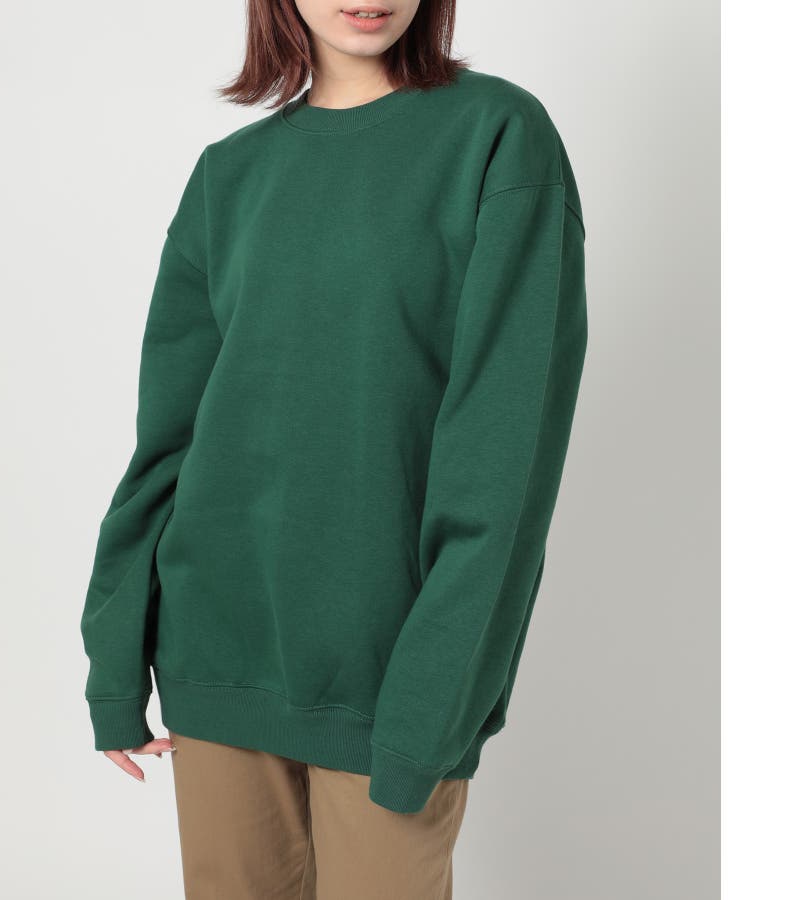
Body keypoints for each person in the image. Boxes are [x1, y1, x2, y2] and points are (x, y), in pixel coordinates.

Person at [79, 1, 588, 897]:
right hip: (215, 658)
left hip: (390, 680)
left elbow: (504, 462)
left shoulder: (497, 137)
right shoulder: (229, 176)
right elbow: (169, 439)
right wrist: (116, 656)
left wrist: (433, 704)